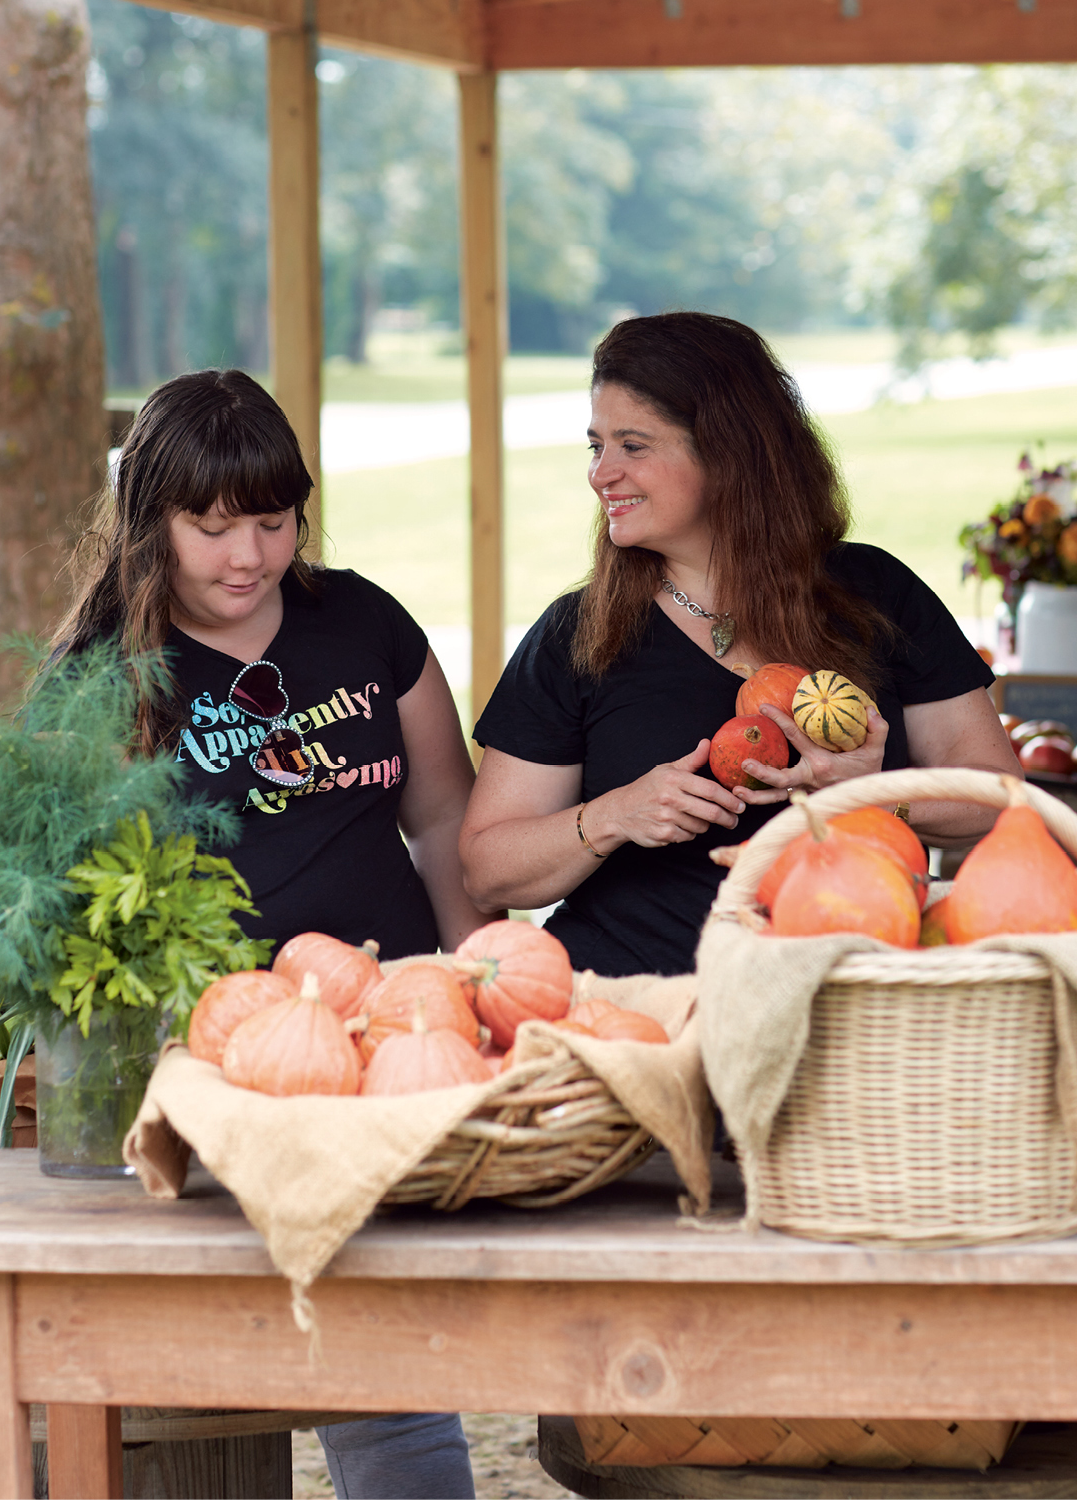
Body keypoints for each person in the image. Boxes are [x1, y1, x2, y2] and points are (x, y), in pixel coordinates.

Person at [53, 367, 486, 1500]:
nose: (247, 555)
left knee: (381, 1348)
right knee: (204, 1367)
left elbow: (443, 816)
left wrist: (475, 984)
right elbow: (78, 895)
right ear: (152, 522)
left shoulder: (365, 623)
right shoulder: (102, 676)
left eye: (272, 520)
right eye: (210, 527)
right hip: (209, 1060)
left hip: (390, 1036)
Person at [460, 312, 1022, 979]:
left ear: (728, 453)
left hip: (846, 1006)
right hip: (638, 1007)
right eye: (596, 446)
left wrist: (875, 792)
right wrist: (612, 816)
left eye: (632, 446)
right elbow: (485, 869)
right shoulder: (576, 634)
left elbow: (1000, 799)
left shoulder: (877, 594)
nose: (600, 474)